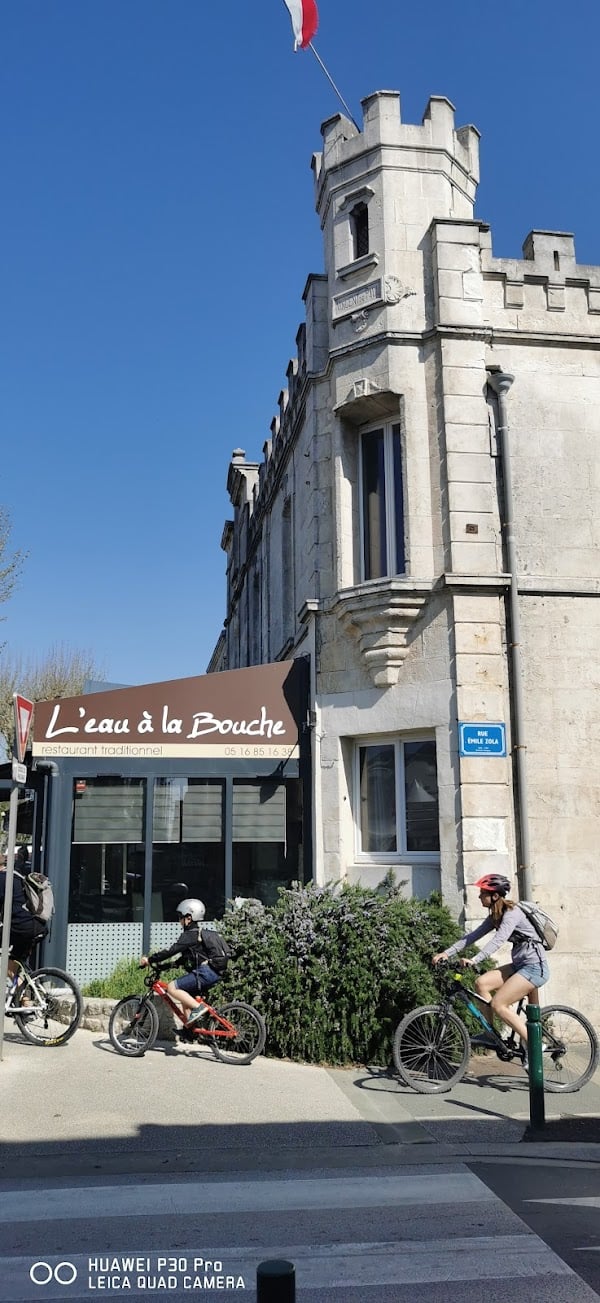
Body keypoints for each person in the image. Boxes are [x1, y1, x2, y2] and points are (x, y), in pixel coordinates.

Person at [432, 873, 549, 1061]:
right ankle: (490, 1035)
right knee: (482, 983)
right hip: (520, 965)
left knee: (498, 1004)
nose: (479, 896)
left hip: (534, 968)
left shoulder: (512, 913)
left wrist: (475, 959)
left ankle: (535, 1044)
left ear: (495, 896)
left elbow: (498, 940)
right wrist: (446, 953)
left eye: (482, 893)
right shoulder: (495, 915)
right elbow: (471, 937)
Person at [139, 897, 221, 1032]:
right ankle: (190, 1031)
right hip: (210, 972)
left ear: (189, 918)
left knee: (172, 987)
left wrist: (150, 960)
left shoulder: (190, 935)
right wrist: (165, 966)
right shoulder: (196, 935)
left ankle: (199, 1008)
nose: (179, 921)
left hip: (205, 972)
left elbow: (171, 951)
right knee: (184, 995)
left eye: (180, 917)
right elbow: (183, 960)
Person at [0, 850, 48, 980]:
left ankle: (21, 988)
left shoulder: (2, 879)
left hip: (23, 928)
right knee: (14, 965)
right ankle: (24, 992)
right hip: (36, 925)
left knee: (9, 966)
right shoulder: (15, 876)